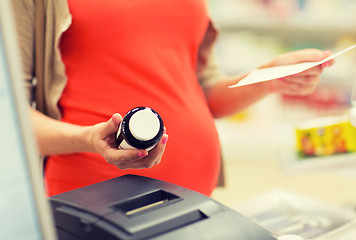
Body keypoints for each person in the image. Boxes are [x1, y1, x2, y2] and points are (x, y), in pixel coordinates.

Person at [12, 0, 333, 197]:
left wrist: (267, 78)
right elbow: (10, 116)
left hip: (194, 198)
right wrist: (87, 138)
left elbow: (202, 89)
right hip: (96, 197)